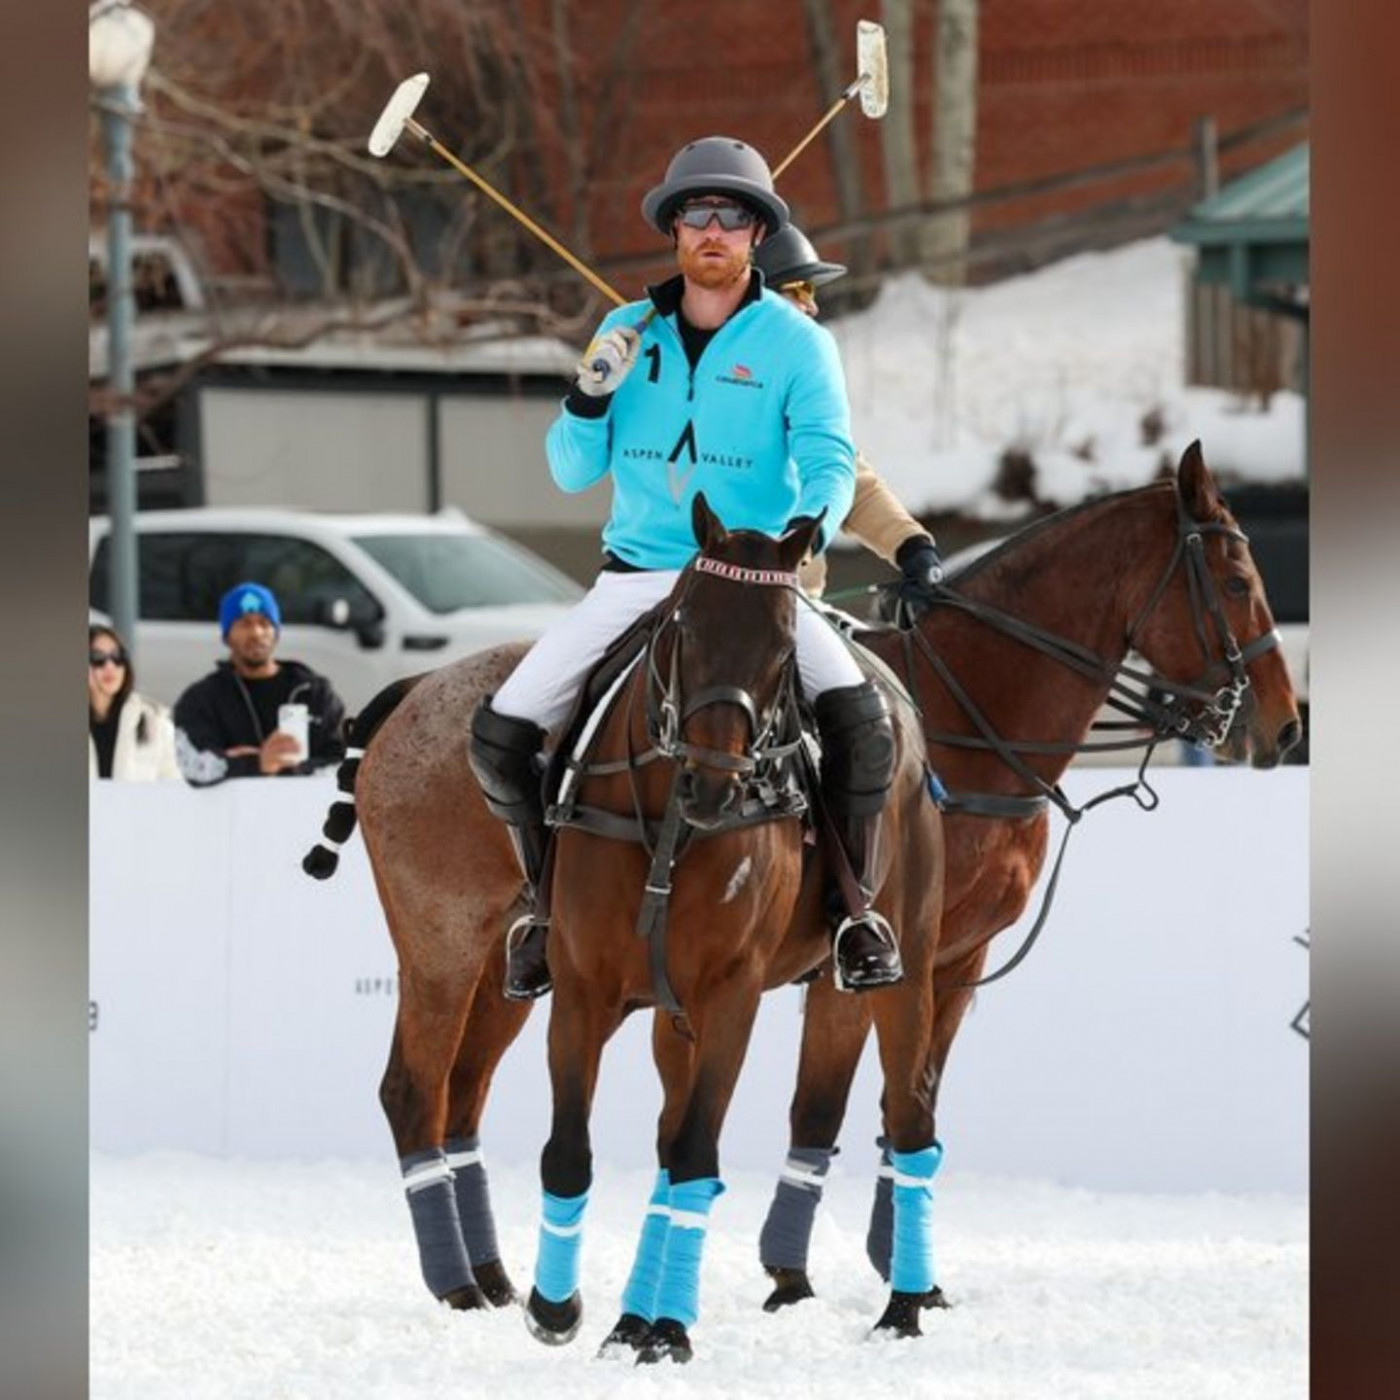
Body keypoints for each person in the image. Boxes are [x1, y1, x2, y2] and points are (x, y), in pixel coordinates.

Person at [469, 135, 904, 1001]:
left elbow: (827, 457)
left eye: (732, 215)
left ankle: (853, 912)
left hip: (753, 582)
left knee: (862, 721)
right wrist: (589, 394)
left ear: (756, 235)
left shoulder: (797, 344)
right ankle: (545, 909)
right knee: (502, 732)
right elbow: (567, 469)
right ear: (674, 231)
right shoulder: (624, 332)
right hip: (638, 576)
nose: (713, 229)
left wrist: (801, 535)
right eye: (696, 213)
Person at [751, 223, 944, 605]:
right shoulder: (704, 390)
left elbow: (847, 478)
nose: (812, 305)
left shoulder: (802, 381)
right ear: (757, 298)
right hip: (716, 609)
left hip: (800, 602)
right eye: (800, 290)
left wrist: (912, 547)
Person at [173, 582, 346, 786]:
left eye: (264, 623)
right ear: (227, 635)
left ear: (276, 632)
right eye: (245, 623)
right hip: (232, 816)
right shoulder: (202, 698)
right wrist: (257, 762)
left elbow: (343, 763)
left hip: (305, 814)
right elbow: (193, 766)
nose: (256, 632)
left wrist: (288, 768)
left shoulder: (314, 692)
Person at [88, 623, 180, 781]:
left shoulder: (154, 721)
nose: (110, 666)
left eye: (117, 657)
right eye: (98, 659)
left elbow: (174, 786)